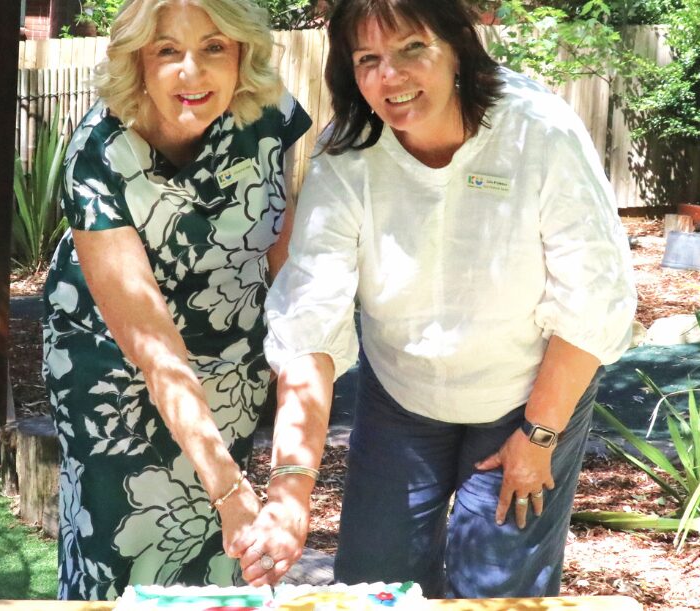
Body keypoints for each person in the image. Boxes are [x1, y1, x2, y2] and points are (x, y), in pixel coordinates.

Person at [248, 0, 636, 599]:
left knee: (497, 592)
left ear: (458, 47)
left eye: (412, 50)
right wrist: (291, 487)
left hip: (528, 393)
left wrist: (539, 437)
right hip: (402, 393)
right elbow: (309, 314)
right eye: (368, 59)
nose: (390, 77)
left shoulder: (540, 130)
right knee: (371, 587)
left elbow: (594, 294)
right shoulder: (346, 154)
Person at [41, 0, 311, 599]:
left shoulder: (269, 115)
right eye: (168, 50)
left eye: (214, 46)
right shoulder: (98, 154)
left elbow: (287, 265)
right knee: (123, 539)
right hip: (113, 365)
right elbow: (156, 352)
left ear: (242, 52)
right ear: (140, 62)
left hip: (230, 355)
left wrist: (295, 400)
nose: (193, 71)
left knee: (222, 555)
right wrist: (232, 490)